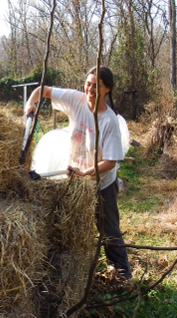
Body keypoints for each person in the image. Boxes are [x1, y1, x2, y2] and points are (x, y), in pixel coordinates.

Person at [25, 66, 132, 280]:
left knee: (108, 229)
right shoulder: (76, 100)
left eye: (96, 86)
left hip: (101, 184)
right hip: (75, 181)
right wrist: (31, 103)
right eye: (88, 83)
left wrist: (86, 172)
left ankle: (122, 275)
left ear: (107, 89)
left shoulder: (108, 120)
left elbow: (110, 162)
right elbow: (43, 90)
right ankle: (72, 275)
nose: (90, 89)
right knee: (71, 227)